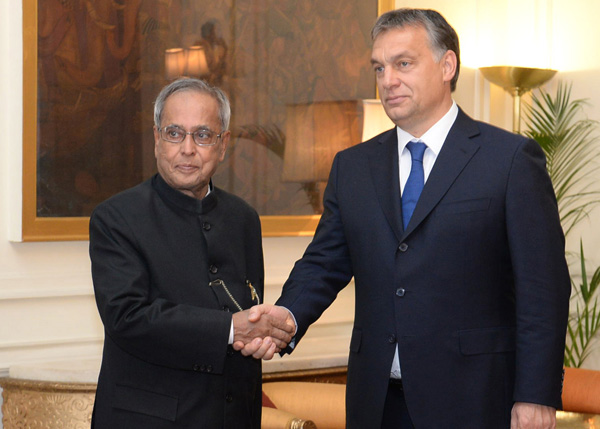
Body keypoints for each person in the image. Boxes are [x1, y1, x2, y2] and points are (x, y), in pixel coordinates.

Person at [235, 8, 571, 429]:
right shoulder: (353, 167)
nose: (388, 79)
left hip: (476, 400)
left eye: (403, 63)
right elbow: (324, 263)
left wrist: (536, 395)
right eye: (379, 67)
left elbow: (543, 289)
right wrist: (287, 315)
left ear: (447, 65)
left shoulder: (509, 160)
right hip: (377, 403)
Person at [89, 77, 293, 428]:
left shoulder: (243, 218)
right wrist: (230, 329)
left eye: (202, 135)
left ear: (223, 144)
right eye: (173, 133)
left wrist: (263, 334)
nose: (187, 149)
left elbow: (249, 311)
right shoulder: (116, 217)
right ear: (156, 139)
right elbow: (128, 317)